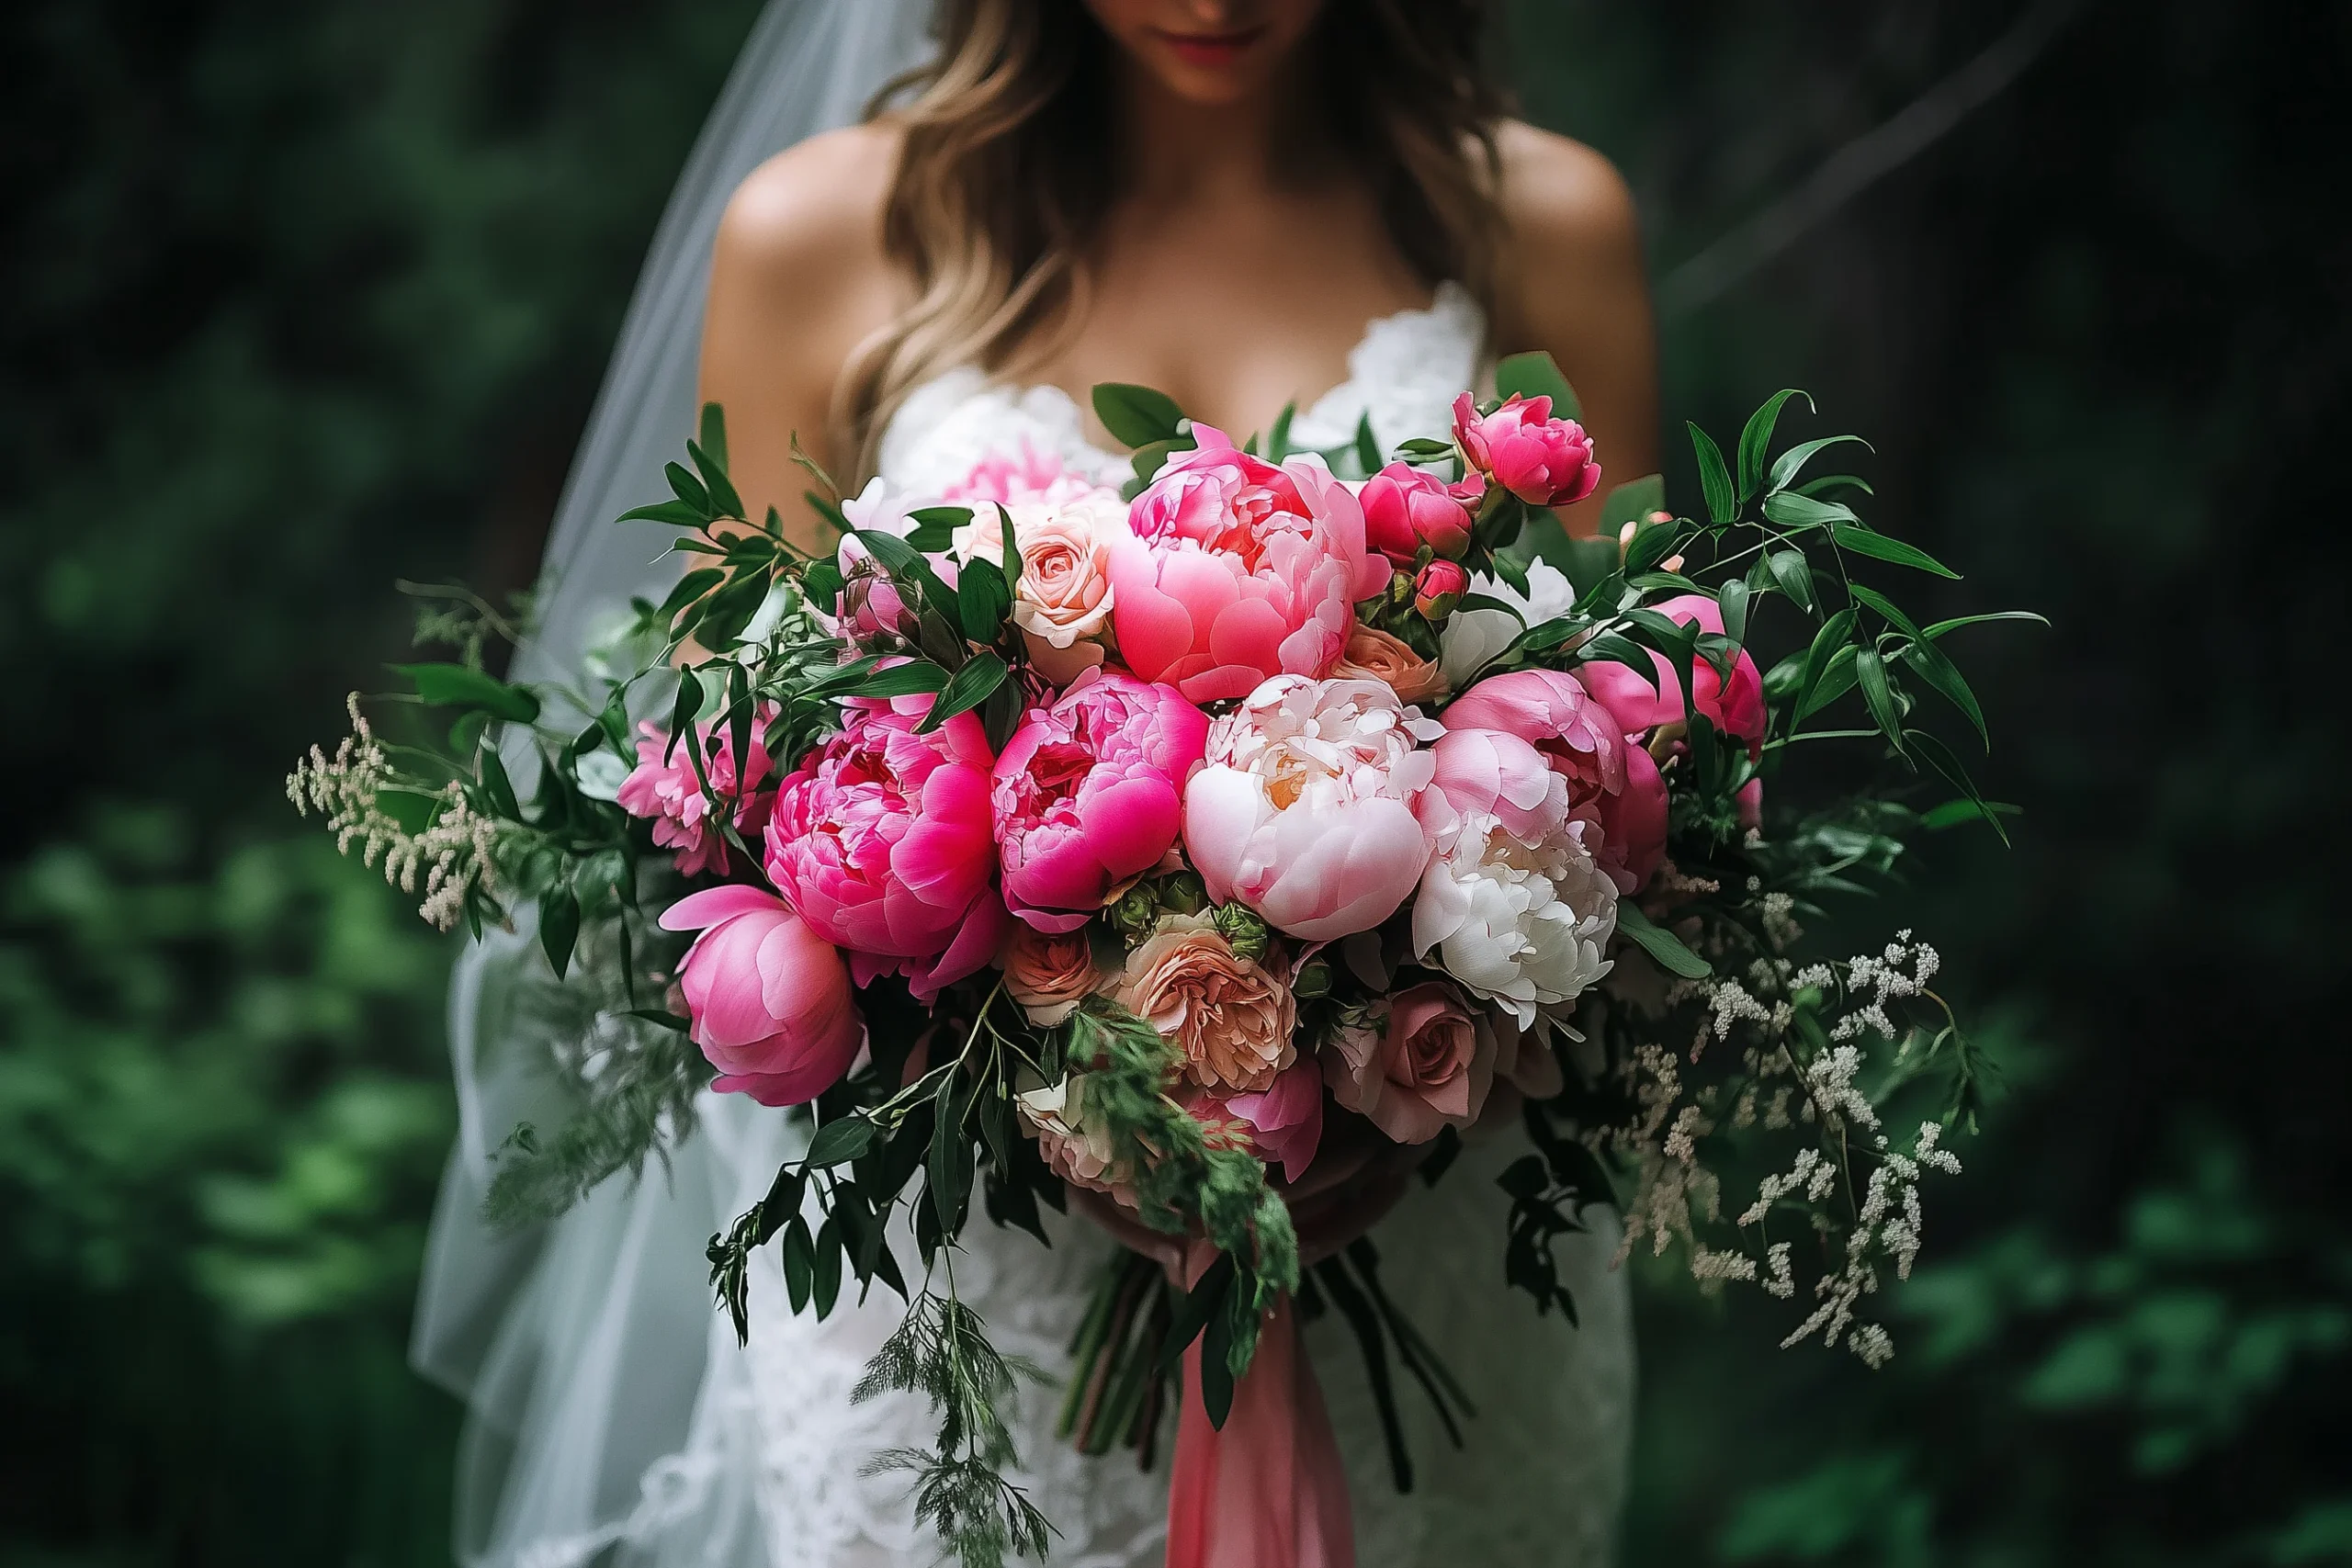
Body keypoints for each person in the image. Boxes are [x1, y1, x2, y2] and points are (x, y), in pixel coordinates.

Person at [415, 3, 1651, 1564]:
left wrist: (1388, 1078)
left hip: (1443, 1256)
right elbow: (742, 774)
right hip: (978, 1313)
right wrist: (1049, 1090)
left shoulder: (1541, 225)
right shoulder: (821, 238)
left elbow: (1629, 754)